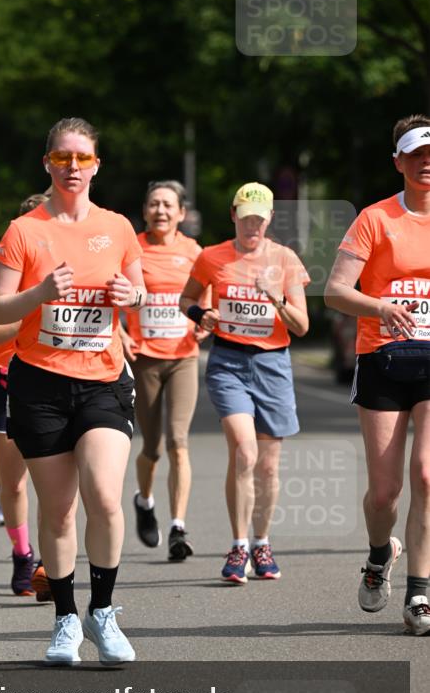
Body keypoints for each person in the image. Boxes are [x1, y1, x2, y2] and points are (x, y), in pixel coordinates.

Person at [0, 117, 145, 664]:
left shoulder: (119, 227)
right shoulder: (24, 230)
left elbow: (138, 287)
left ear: (97, 164)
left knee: (103, 495)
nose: (72, 168)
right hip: (41, 385)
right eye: (61, 158)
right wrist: (39, 292)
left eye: (82, 158)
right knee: (57, 511)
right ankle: (65, 621)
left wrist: (133, 294)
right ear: (47, 164)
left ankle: (103, 612)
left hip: (103, 380)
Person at [325, 115, 430, 635]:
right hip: (384, 359)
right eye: (416, 154)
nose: (426, 162)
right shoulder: (374, 218)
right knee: (385, 493)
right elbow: (335, 290)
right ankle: (377, 554)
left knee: (428, 476)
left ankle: (419, 592)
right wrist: (380, 305)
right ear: (399, 163)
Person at [180, 182, 309, 583]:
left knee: (268, 468)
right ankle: (238, 547)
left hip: (273, 365)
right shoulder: (212, 257)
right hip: (229, 362)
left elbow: (302, 326)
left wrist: (275, 297)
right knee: (245, 452)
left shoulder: (284, 259)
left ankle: (261, 542)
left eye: (260, 218)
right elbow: (186, 300)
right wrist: (201, 315)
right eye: (245, 216)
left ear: (269, 219)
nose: (252, 224)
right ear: (233, 216)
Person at [121, 180, 207, 560]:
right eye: (154, 204)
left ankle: (177, 527)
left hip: (183, 356)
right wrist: (121, 332)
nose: (161, 210)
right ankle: (144, 500)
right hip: (145, 359)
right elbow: (111, 296)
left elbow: (206, 294)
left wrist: (204, 322)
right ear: (145, 211)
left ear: (181, 213)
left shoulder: (193, 251)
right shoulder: (132, 249)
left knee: (178, 441)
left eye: (168, 205)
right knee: (152, 447)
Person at [0, 194, 52, 598]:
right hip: (2, 381)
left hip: (49, 379)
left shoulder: (63, 273)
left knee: (53, 482)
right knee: (15, 483)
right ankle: (23, 555)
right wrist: (29, 318)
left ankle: (52, 566)